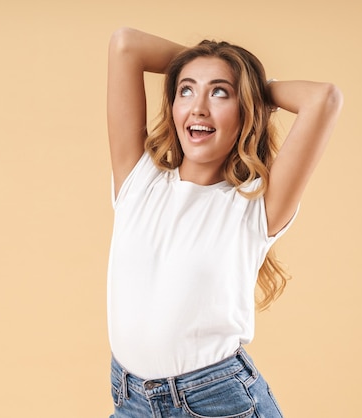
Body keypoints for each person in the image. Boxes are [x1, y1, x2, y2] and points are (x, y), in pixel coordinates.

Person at [106, 27, 343, 418]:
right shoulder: (139, 178)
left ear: (245, 110)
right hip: (132, 399)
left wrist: (249, 83)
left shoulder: (254, 206)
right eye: (186, 89)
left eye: (219, 92)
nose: (198, 107)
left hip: (218, 404)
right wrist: (223, 74)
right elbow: (126, 45)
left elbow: (324, 98)